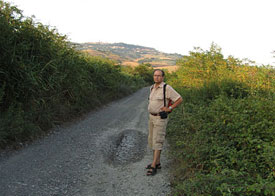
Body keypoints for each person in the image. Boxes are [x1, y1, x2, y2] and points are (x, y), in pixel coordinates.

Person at [146, 69, 183, 176]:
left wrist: (170, 108)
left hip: (160, 118)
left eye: (159, 76)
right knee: (152, 140)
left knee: (158, 141)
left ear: (163, 77)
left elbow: (179, 99)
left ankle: (153, 166)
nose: (156, 77)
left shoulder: (167, 88)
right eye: (155, 75)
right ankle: (157, 163)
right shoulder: (152, 87)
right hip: (152, 117)